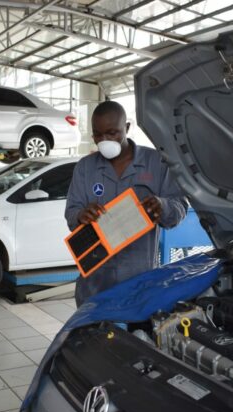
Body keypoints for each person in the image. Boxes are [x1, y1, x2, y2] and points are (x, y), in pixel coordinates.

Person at [65, 101, 187, 306]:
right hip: (95, 284)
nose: (104, 140)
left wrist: (162, 206)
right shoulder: (85, 168)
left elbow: (179, 208)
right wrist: (80, 215)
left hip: (139, 280)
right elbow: (71, 212)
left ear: (127, 128)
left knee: (137, 336)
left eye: (112, 133)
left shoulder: (156, 162)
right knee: (94, 335)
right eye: (98, 134)